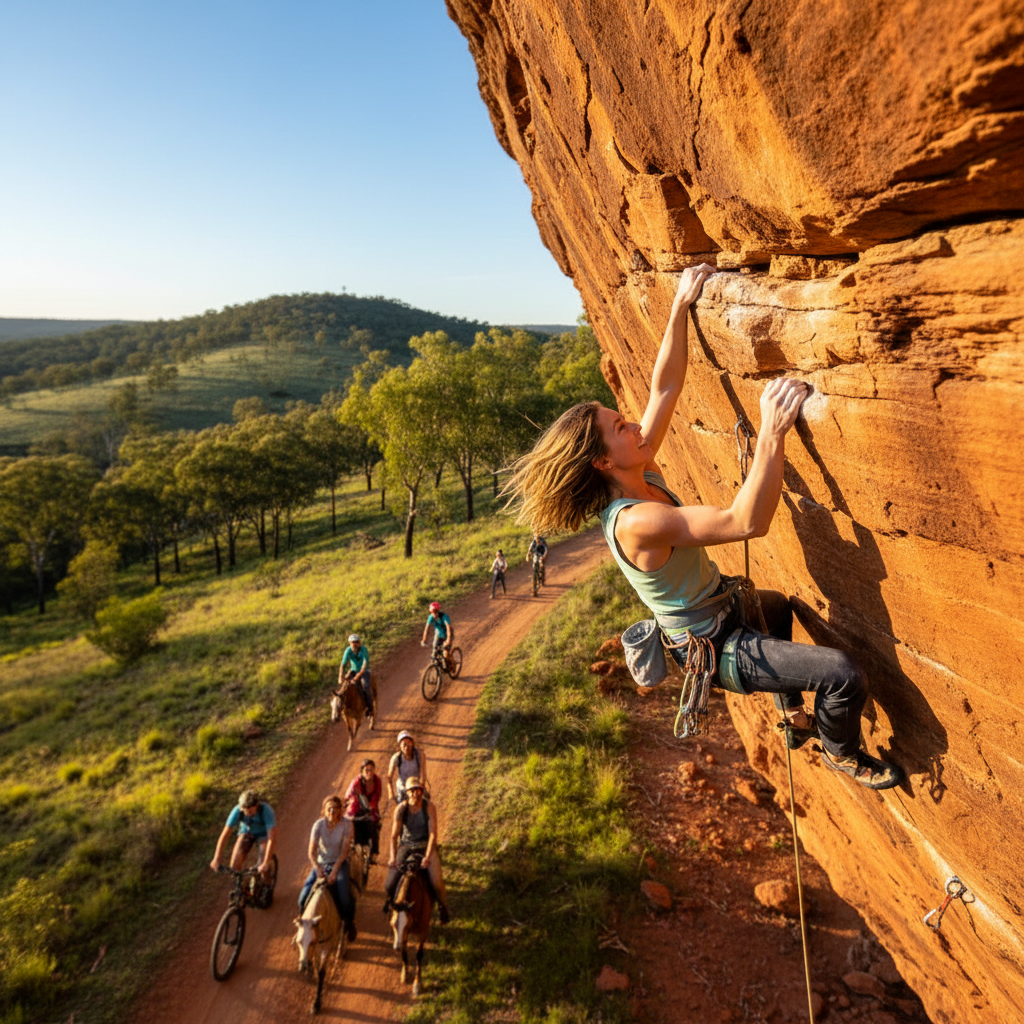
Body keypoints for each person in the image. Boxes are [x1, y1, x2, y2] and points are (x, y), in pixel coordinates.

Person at [505, 264, 902, 791]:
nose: (632, 421)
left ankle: (794, 714)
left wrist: (679, 306)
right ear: (602, 462)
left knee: (780, 607)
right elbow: (747, 522)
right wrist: (771, 433)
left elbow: (664, 387)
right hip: (717, 649)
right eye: (620, 426)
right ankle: (841, 753)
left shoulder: (638, 470)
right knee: (842, 675)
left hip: (725, 610)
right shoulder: (636, 521)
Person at [382, 776, 450, 924]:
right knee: (389, 884)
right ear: (407, 793)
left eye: (417, 790)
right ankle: (392, 903)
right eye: (411, 791)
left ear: (421, 791)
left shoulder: (429, 807)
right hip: (406, 845)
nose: (414, 794)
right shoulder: (401, 809)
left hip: (425, 845)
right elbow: (394, 836)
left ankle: (443, 907)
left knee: (437, 882)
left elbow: (433, 834)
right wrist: (393, 858)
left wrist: (427, 856)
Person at [298, 794, 357, 941]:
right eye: (329, 809)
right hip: (321, 864)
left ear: (340, 811)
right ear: (324, 810)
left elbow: (344, 852)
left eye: (336, 809)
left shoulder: (347, 825)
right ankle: (303, 925)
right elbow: (311, 851)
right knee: (303, 897)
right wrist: (317, 867)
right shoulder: (318, 825)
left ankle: (349, 923)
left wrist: (335, 871)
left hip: (339, 863)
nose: (333, 812)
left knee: (344, 898)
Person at [210, 789, 278, 879]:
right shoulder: (237, 811)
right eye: (245, 811)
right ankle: (244, 889)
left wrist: (266, 861)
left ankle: (268, 886)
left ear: (256, 805)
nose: (247, 813)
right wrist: (217, 858)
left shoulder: (266, 811)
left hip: (263, 834)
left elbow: (271, 838)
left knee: (263, 869)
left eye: (250, 810)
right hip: (246, 832)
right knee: (234, 868)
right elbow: (225, 835)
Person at [344, 758, 383, 861]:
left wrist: (371, 808)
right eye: (366, 770)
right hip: (356, 806)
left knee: (374, 824)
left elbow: (376, 796)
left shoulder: (377, 781)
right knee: (349, 824)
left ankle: (374, 852)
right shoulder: (356, 783)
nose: (369, 772)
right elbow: (351, 798)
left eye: (371, 770)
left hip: (370, 807)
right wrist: (353, 814)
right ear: (361, 772)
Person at [388, 730, 428, 805]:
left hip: (417, 787)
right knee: (401, 811)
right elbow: (389, 778)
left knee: (425, 808)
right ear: (400, 746)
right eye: (404, 745)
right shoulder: (396, 758)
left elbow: (423, 772)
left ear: (412, 743)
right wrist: (391, 792)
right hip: (402, 789)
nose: (407, 747)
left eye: (409, 744)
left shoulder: (420, 755)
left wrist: (421, 786)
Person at [339, 633, 374, 717]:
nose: (355, 644)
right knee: (344, 686)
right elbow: (342, 665)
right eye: (353, 642)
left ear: (360, 643)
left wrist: (356, 677)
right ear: (350, 643)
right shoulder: (348, 650)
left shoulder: (363, 650)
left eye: (357, 642)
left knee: (366, 686)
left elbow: (364, 666)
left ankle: (370, 709)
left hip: (364, 671)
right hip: (353, 670)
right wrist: (340, 677)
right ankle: (343, 707)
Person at [420, 601, 454, 666]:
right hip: (438, 636)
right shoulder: (430, 617)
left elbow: (448, 629)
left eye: (436, 612)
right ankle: (438, 669)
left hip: (447, 635)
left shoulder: (444, 617)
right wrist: (424, 640)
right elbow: (426, 629)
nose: (435, 614)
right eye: (433, 612)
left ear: (439, 611)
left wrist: (448, 640)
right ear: (431, 612)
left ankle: (451, 663)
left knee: (445, 653)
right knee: (434, 654)